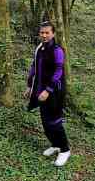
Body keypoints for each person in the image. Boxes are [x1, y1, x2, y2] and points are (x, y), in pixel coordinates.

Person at [24, 21, 71, 167]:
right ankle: (55, 144)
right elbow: (34, 67)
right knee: (45, 121)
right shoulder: (39, 48)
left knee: (54, 121)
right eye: (42, 33)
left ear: (53, 33)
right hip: (39, 90)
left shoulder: (57, 50)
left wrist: (48, 90)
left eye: (47, 33)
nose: (44, 35)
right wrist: (29, 85)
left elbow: (58, 71)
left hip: (54, 91)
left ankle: (65, 149)